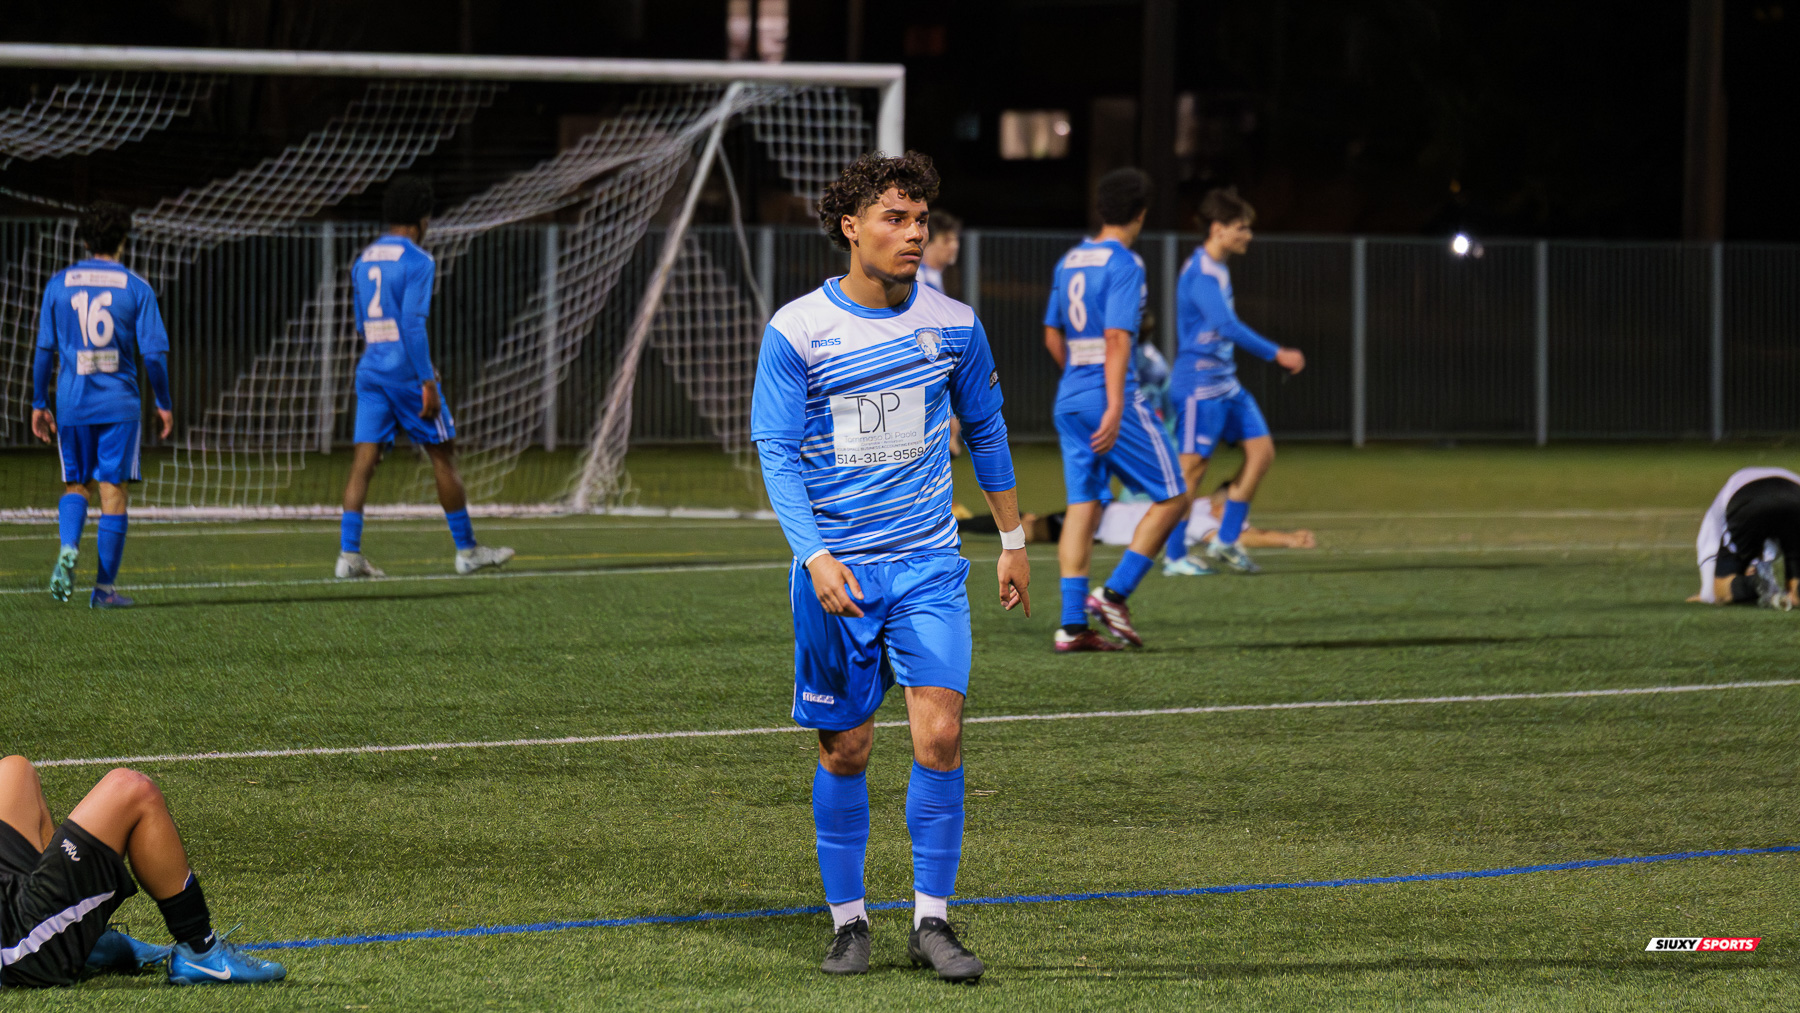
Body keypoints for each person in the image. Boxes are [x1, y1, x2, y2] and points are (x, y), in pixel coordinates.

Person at [750, 151, 1029, 983]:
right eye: (896, 219)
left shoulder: (954, 323)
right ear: (851, 227)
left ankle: (932, 921)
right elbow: (775, 450)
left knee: (940, 734)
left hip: (929, 564)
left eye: (921, 220)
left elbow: (987, 428)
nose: (915, 235)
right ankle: (847, 923)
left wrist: (1012, 541)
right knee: (849, 749)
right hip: (839, 573)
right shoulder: (799, 330)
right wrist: (815, 554)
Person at [336, 177, 512, 579]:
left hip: (371, 368)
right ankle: (468, 551)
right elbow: (413, 327)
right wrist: (426, 381)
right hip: (405, 374)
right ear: (422, 217)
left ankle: (349, 556)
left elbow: (362, 324)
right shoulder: (419, 261)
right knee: (442, 455)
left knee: (364, 461)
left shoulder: (364, 259)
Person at [1044, 168, 1189, 652]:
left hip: (1069, 398)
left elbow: (1052, 334)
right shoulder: (1125, 263)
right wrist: (1111, 404)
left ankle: (1071, 625)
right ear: (1141, 213)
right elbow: (1117, 337)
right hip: (1111, 398)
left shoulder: (1069, 261)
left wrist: (1080, 383)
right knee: (1173, 497)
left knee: (1084, 506)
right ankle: (1114, 594)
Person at [0, 753, 285, 987]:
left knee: (15, 771)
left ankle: (83, 936)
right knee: (132, 788)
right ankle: (200, 950)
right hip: (16, 948)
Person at [29, 202, 172, 609]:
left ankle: (69, 546)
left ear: (86, 240)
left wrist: (40, 402)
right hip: (119, 404)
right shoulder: (136, 287)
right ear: (123, 241)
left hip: (73, 402)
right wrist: (164, 402)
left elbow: (44, 351)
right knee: (113, 491)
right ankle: (104, 590)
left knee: (77, 485)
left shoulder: (59, 284)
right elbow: (155, 356)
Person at [1163, 187, 1305, 577]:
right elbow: (1226, 326)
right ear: (1218, 229)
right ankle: (1174, 557)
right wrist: (1278, 354)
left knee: (1261, 454)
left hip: (1226, 383)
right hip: (1198, 386)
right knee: (1191, 472)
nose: (1248, 235)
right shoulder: (1200, 274)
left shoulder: (1219, 266)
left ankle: (1225, 541)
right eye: (1241, 228)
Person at [1689, 466, 1800, 609]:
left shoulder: (1718, 511)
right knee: (1795, 596)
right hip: (1796, 498)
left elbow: (1710, 553)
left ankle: (1756, 585)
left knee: (1721, 592)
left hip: (1746, 498)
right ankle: (1792, 593)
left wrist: (1708, 592)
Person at [916, 209, 960, 294]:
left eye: (955, 240)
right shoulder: (919, 279)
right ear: (927, 244)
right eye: (946, 241)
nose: (954, 246)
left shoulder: (938, 277)